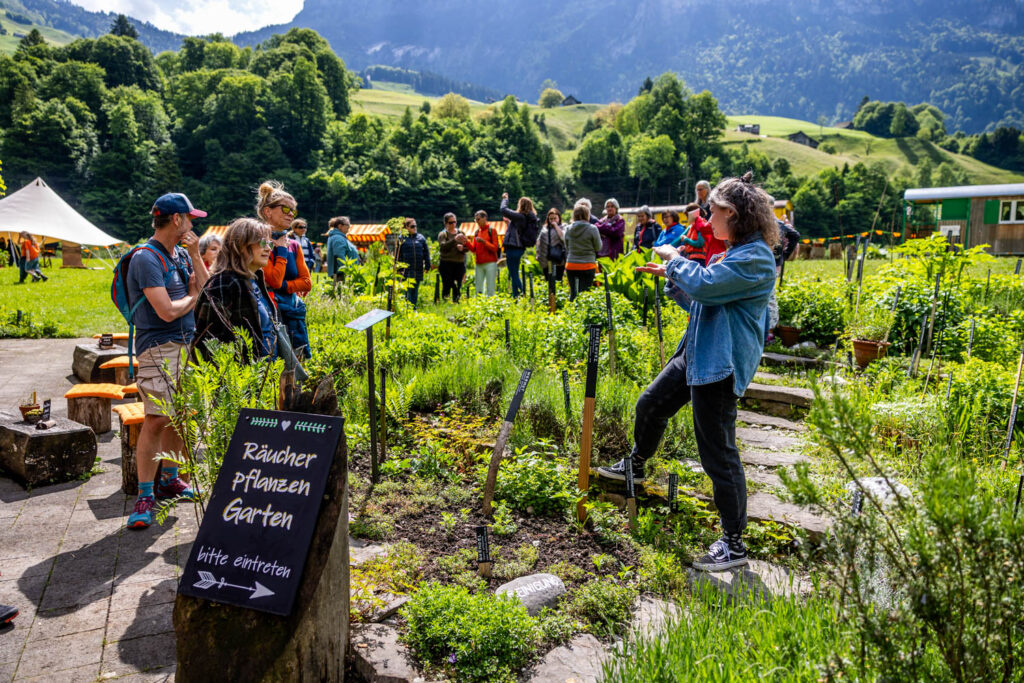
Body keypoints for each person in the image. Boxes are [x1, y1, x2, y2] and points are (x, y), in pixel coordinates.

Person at [597, 173, 778, 573]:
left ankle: (733, 542)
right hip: (697, 354)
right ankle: (637, 463)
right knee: (651, 404)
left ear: (733, 213)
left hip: (720, 365)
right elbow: (704, 299)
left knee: (718, 454)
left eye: (712, 212)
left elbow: (709, 287)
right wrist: (674, 279)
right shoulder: (734, 252)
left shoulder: (755, 258)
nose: (707, 219)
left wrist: (677, 262)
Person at [126, 192, 210, 530]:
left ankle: (171, 480)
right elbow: (166, 310)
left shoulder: (180, 255)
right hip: (159, 347)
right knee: (157, 419)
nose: (193, 224)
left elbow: (204, 290)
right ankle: (145, 495)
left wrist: (194, 255)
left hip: (187, 345)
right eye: (190, 218)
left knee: (183, 416)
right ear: (176, 220)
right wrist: (191, 297)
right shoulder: (146, 258)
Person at [194, 218, 278, 360]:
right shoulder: (224, 283)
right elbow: (208, 343)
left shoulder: (254, 279)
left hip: (264, 374)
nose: (268, 248)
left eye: (269, 243)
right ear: (241, 245)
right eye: (262, 242)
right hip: (241, 377)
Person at [256, 181, 312, 359]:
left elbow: (307, 282)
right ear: (267, 211)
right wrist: (280, 250)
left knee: (296, 364)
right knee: (272, 362)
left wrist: (285, 286)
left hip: (291, 311)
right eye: (285, 209)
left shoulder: (294, 245)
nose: (291, 215)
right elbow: (273, 279)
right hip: (267, 311)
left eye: (293, 211)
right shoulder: (258, 241)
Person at [499, 192, 538, 298]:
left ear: (521, 205)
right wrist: (509, 223)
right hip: (519, 248)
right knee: (513, 273)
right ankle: (515, 296)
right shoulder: (526, 217)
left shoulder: (520, 216)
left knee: (513, 274)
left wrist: (505, 199)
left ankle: (523, 293)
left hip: (513, 248)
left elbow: (503, 210)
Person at [766, 218, 801, 331]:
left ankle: (769, 331)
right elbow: (795, 235)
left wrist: (785, 254)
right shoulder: (779, 223)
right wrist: (785, 255)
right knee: (770, 296)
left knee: (768, 296)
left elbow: (795, 235)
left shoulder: (767, 221)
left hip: (767, 263)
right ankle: (770, 330)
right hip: (776, 263)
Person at [564, 203, 602, 300]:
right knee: (585, 294)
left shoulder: (568, 229)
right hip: (587, 265)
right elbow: (598, 247)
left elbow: (567, 247)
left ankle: (570, 313)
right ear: (587, 215)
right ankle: (583, 314)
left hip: (571, 264)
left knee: (573, 293)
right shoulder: (593, 229)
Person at [397, 217, 431, 305]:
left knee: (415, 290)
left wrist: (427, 266)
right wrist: (399, 269)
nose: (415, 228)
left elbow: (426, 253)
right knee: (408, 291)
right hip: (406, 271)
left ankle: (414, 308)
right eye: (412, 226)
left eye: (415, 226)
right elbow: (398, 255)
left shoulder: (421, 238)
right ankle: (408, 309)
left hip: (418, 269)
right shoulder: (401, 238)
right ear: (406, 228)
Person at [438, 212, 468, 302]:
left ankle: (456, 301)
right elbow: (443, 247)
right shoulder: (443, 234)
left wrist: (462, 248)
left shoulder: (461, 233)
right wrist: (454, 240)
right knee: (447, 284)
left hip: (459, 263)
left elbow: (468, 247)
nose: (454, 224)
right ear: (446, 223)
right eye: (451, 222)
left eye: (455, 222)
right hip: (446, 263)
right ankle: (445, 301)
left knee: (458, 284)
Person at [468, 210, 499, 296]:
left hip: (491, 263)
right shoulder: (477, 232)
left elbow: (495, 248)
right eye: (475, 220)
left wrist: (483, 242)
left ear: (485, 218)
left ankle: (490, 306)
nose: (477, 222)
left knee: (490, 288)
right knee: (478, 288)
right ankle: (479, 305)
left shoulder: (492, 230)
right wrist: (465, 242)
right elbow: (473, 249)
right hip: (479, 263)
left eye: (478, 219)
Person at [536, 207, 567, 283]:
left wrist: (556, 226)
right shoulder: (544, 229)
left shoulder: (564, 227)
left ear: (559, 218)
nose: (553, 220)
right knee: (548, 280)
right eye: (551, 219)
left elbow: (564, 238)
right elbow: (538, 242)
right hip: (546, 259)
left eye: (555, 218)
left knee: (558, 280)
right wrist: (537, 254)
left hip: (559, 259)